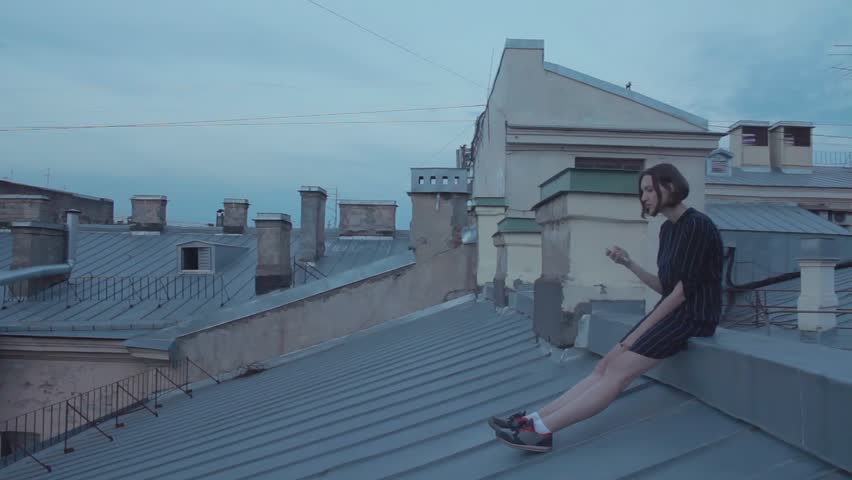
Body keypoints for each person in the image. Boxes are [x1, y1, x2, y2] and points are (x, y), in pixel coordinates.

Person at [489, 163, 723, 453]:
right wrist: (628, 264)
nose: (644, 198)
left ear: (671, 187)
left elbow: (681, 293)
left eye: (649, 190)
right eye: (642, 192)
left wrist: (634, 336)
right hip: (672, 311)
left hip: (693, 316)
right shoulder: (668, 230)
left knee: (618, 371)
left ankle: (543, 432)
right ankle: (533, 420)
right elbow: (665, 287)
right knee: (604, 365)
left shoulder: (697, 226)